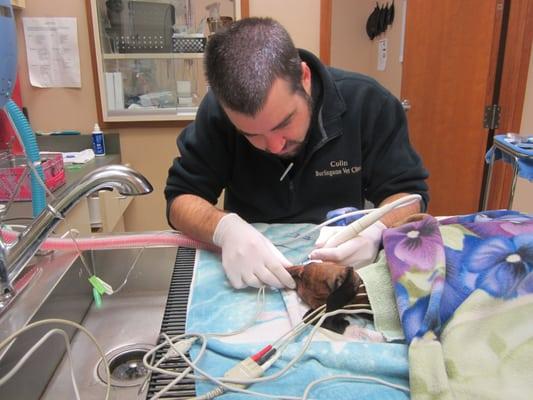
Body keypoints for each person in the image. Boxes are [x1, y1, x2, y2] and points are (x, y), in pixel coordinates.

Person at [165, 17, 429, 290]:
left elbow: (408, 195)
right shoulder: (217, 113)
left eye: (284, 123)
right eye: (252, 135)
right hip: (253, 277)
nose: (276, 146)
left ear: (304, 77)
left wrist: (375, 231)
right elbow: (180, 199)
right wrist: (225, 229)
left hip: (337, 271)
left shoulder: (369, 103)